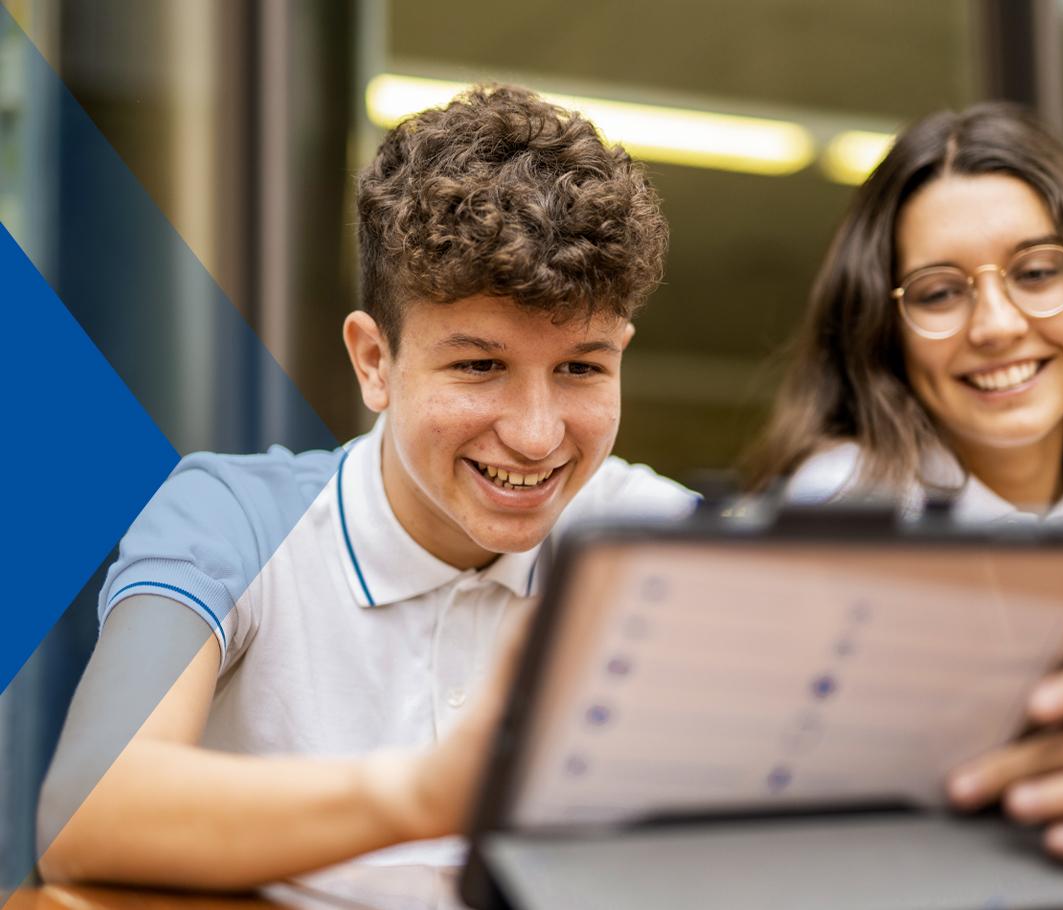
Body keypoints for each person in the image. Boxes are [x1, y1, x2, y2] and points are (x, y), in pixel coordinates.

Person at [36, 84, 696, 889]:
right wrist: (424, 794)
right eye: (479, 366)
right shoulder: (232, 518)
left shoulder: (663, 544)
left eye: (581, 369)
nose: (535, 433)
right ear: (374, 361)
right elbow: (85, 809)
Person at [747, 101, 1063, 860]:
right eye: (938, 291)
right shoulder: (841, 506)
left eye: (1036, 272)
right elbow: (912, 786)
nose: (995, 324)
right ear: (882, 330)